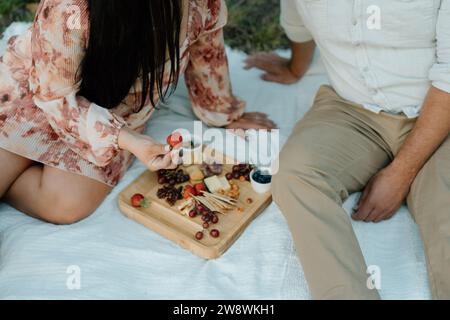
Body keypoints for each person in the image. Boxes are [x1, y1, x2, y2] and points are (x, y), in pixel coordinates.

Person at [0, 0, 275, 225]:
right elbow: (54, 95)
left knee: (65, 205)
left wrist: (221, 110)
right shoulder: (70, 8)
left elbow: (207, 50)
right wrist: (127, 140)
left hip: (116, 112)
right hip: (39, 92)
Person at [245, 0, 450, 299]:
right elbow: (298, 19)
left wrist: (400, 174)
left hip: (438, 115)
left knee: (443, 202)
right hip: (351, 110)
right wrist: (296, 67)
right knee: (294, 175)